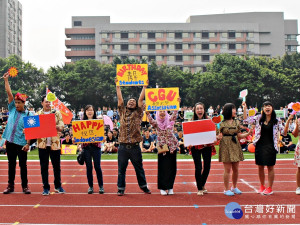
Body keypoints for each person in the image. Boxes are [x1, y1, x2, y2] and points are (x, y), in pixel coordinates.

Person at [115, 78, 151, 196]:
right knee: (121, 170)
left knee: (139, 169)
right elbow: (120, 99)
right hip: (123, 147)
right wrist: (118, 86)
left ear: (136, 105)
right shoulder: (122, 111)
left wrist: (145, 87)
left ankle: (143, 186)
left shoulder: (139, 112)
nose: (131, 102)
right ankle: (121, 188)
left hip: (135, 147)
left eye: (133, 101)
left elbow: (141, 99)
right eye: (129, 101)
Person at [243, 101, 284, 195]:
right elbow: (246, 120)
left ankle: (270, 188)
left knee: (270, 167)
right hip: (260, 145)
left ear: (272, 108)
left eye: (269, 106)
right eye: (265, 106)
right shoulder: (258, 118)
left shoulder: (277, 120)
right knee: (260, 167)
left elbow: (284, 131)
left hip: (271, 146)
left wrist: (289, 120)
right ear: (263, 109)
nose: (267, 108)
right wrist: (245, 108)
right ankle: (262, 186)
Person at [2, 72, 32, 194]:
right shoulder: (12, 108)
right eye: (16, 102)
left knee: (23, 166)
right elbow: (9, 93)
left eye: (19, 102)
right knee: (11, 165)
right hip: (10, 142)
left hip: (22, 144)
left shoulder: (29, 115)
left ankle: (25, 186)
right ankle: (10, 186)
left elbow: (31, 131)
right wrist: (6, 80)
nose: (17, 104)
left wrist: (28, 144)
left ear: (24, 103)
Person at [219, 103, 252, 196]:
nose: (235, 111)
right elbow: (217, 135)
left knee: (236, 168)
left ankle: (234, 187)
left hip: (235, 145)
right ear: (228, 110)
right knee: (227, 169)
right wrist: (218, 136)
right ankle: (226, 189)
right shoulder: (221, 122)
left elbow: (239, 135)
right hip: (225, 145)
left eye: (235, 108)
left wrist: (248, 133)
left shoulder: (236, 122)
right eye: (233, 109)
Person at [37, 96, 65, 195]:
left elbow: (61, 127)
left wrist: (55, 125)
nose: (48, 104)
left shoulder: (56, 113)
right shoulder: (38, 114)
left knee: (57, 167)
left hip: (55, 144)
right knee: (44, 167)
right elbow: (33, 128)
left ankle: (58, 186)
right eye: (46, 102)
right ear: (42, 103)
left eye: (49, 102)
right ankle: (46, 187)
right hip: (42, 144)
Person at [147, 108, 179, 195]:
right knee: (162, 168)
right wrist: (147, 112)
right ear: (157, 113)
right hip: (162, 147)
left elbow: (175, 114)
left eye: (163, 111)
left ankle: (170, 187)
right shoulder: (156, 122)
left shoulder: (169, 119)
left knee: (172, 167)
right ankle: (162, 188)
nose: (162, 113)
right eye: (160, 111)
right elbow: (150, 120)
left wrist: (177, 105)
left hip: (172, 146)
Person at [190, 102, 216, 195]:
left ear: (204, 110)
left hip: (207, 146)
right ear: (195, 110)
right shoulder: (191, 122)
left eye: (201, 108)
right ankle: (200, 188)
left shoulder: (209, 121)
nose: (199, 110)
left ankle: (202, 184)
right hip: (195, 147)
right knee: (198, 167)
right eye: (198, 109)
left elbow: (212, 134)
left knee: (207, 167)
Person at [80, 105, 104, 194]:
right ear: (85, 112)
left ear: (94, 112)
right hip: (86, 148)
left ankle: (101, 186)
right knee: (89, 167)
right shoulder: (81, 123)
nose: (89, 112)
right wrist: (76, 139)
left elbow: (102, 135)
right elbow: (78, 136)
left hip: (96, 147)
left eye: (91, 110)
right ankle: (90, 186)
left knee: (97, 167)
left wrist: (103, 138)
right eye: (88, 110)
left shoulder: (98, 122)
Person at [284, 114, 300, 194]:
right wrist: (297, 125)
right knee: (299, 168)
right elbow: (295, 134)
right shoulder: (299, 121)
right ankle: (298, 187)